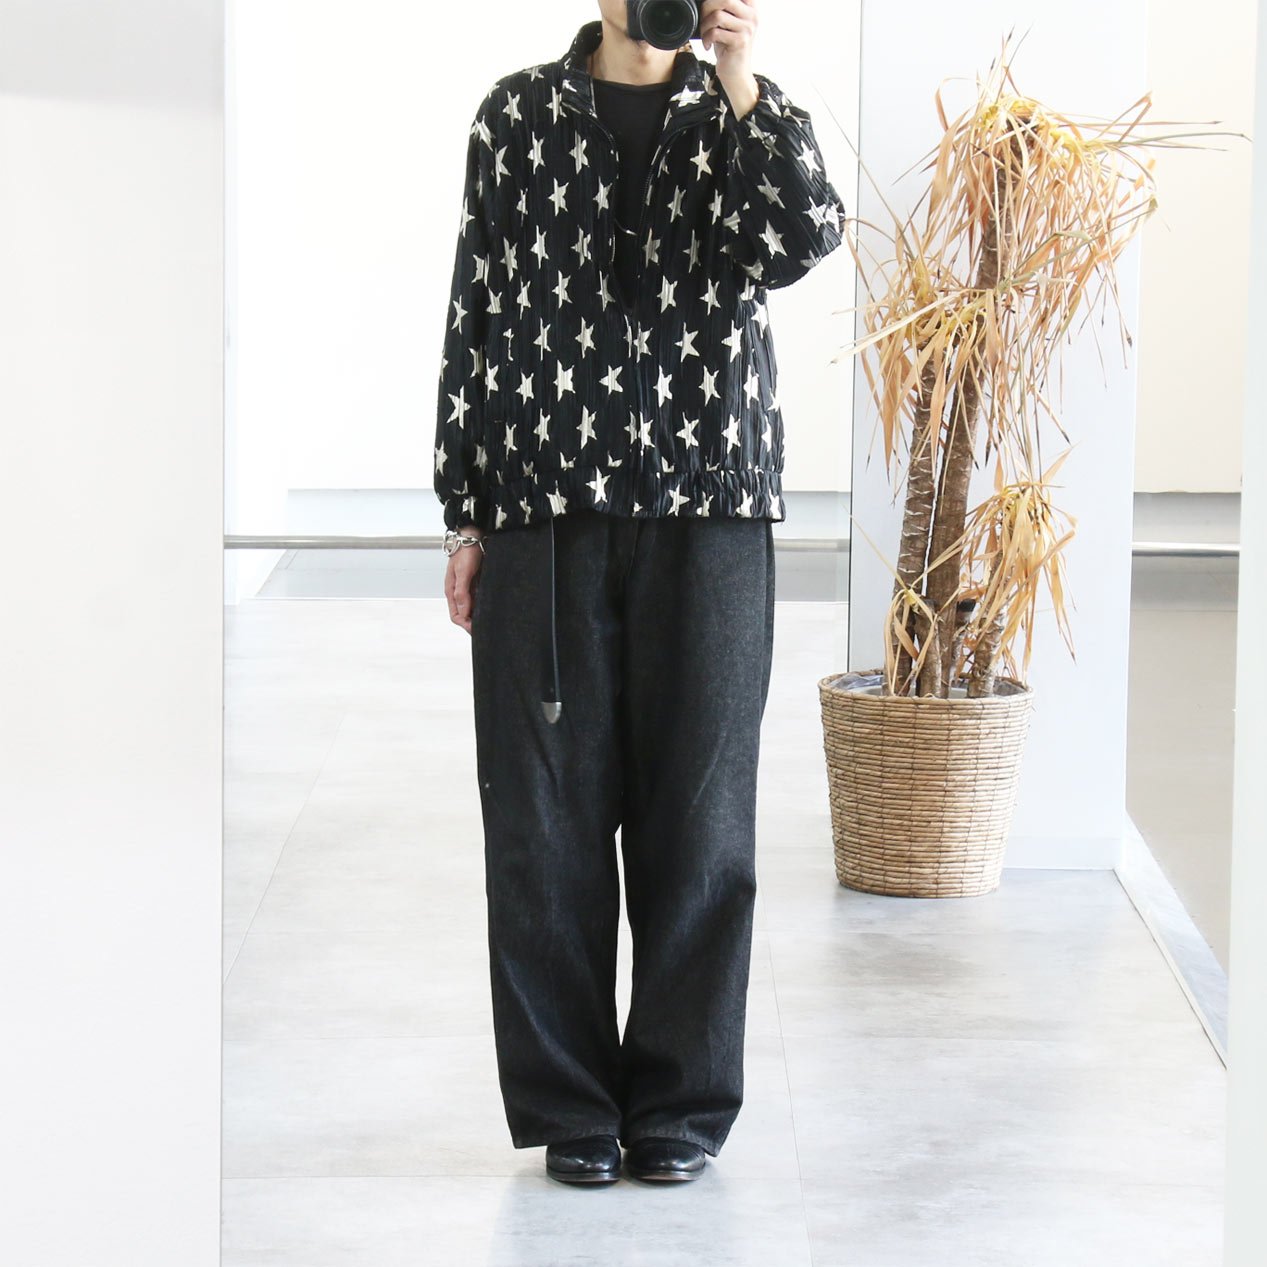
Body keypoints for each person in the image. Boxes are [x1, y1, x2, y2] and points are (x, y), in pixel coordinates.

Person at [434, 0, 845, 1185]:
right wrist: (468, 509)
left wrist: (742, 77)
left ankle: (680, 1104)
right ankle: (570, 1105)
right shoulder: (516, 115)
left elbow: (799, 240)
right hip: (544, 510)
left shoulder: (743, 117)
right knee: (541, 820)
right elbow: (475, 309)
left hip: (709, 504)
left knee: (702, 820)